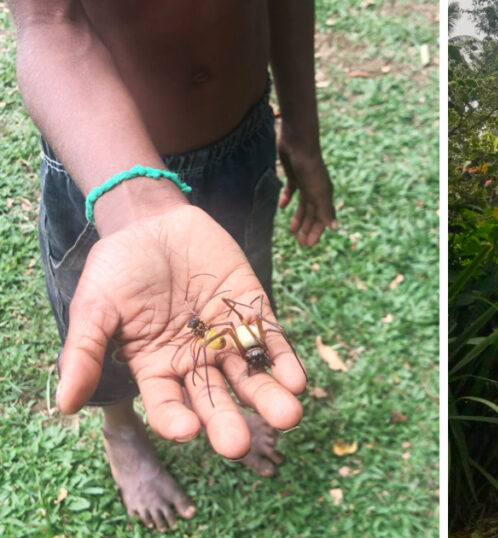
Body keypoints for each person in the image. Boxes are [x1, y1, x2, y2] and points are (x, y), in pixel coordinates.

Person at [11, 0, 338, 531]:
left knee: (238, 301)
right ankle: (121, 428)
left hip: (242, 141)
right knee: (121, 329)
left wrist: (302, 130)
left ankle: (240, 391)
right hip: (100, 172)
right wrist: (137, 206)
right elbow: (46, 21)